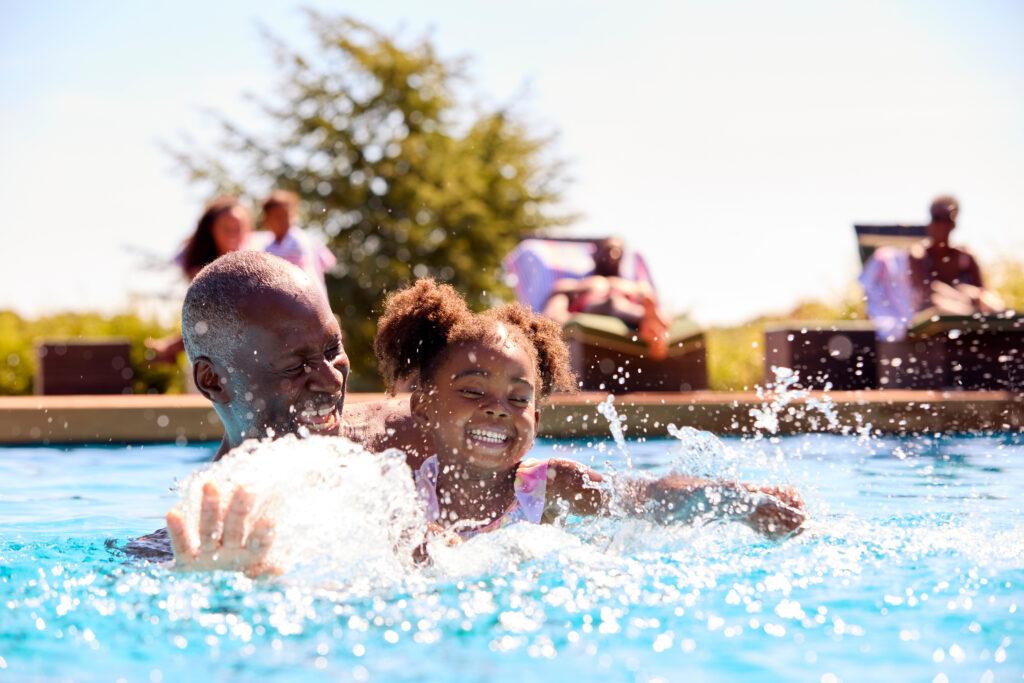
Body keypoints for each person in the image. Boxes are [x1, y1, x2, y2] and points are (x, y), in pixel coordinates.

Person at [375, 279, 806, 542]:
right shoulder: (401, 496)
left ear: (537, 421)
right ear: (425, 407)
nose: (498, 410)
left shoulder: (549, 485)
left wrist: (744, 501)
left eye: (519, 399)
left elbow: (647, 497)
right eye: (473, 391)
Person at [126, 251, 423, 568]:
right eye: (295, 365)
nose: (331, 378)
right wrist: (218, 591)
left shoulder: (396, 440)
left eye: (332, 349)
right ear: (213, 381)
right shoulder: (188, 551)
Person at [146, 197, 254, 363]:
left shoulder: (257, 257)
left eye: (238, 227)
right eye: (226, 228)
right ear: (212, 230)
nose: (233, 233)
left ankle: (174, 345)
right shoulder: (198, 262)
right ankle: (177, 345)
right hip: (211, 349)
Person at [543, 237, 671, 359]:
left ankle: (652, 329)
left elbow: (656, 306)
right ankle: (649, 327)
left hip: (633, 314)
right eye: (608, 250)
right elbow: (555, 306)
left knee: (645, 300)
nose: (613, 255)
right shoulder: (580, 284)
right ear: (595, 255)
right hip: (596, 308)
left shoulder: (634, 286)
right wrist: (562, 318)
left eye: (618, 252)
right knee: (613, 302)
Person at [908, 195, 1003, 315]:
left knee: (990, 301)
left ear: (954, 224)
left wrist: (974, 295)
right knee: (939, 301)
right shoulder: (919, 254)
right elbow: (928, 290)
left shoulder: (965, 255)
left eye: (947, 219)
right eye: (937, 218)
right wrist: (963, 297)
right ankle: (970, 319)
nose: (942, 225)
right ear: (930, 222)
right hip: (930, 310)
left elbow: (983, 291)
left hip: (965, 304)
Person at [260, 190, 336, 298]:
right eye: (277, 217)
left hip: (310, 299)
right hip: (289, 301)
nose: (283, 221)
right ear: (266, 221)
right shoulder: (268, 246)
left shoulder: (297, 240)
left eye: (286, 216)